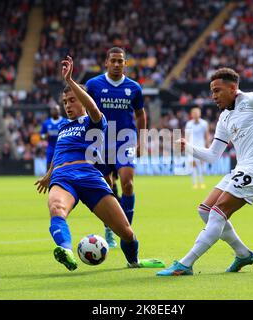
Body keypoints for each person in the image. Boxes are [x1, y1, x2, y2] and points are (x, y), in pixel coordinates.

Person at [157, 68, 253, 276]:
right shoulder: (224, 119)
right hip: (242, 167)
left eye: (217, 91)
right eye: (212, 92)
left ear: (232, 88)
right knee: (205, 210)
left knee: (218, 212)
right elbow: (213, 155)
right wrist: (188, 148)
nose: (214, 96)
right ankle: (243, 253)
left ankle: (186, 264)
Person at [34, 56, 164, 271]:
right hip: (63, 176)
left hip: (89, 176)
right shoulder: (64, 126)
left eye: (72, 100)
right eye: (65, 102)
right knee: (56, 208)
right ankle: (65, 251)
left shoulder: (94, 120)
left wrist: (71, 81)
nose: (67, 105)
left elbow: (93, 109)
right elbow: (58, 152)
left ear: (82, 99)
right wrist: (49, 174)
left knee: (127, 233)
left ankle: (134, 261)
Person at [85, 47, 147, 248]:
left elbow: (140, 115)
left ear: (125, 64)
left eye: (121, 61)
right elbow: (86, 112)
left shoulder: (134, 88)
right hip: (100, 141)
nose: (117, 64)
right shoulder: (93, 85)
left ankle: (126, 229)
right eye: (114, 60)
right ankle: (110, 228)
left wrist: (142, 140)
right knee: (107, 188)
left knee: (128, 183)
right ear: (106, 63)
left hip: (125, 140)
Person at [185, 107, 210, 189]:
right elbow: (187, 136)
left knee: (201, 165)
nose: (196, 115)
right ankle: (195, 183)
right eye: (194, 113)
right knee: (194, 165)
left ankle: (201, 182)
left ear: (200, 114)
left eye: (197, 113)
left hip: (201, 147)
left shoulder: (204, 123)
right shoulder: (189, 124)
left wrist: (208, 146)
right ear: (191, 114)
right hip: (192, 147)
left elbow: (206, 136)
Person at [40, 105, 66, 172]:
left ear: (59, 111)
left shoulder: (64, 122)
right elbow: (41, 137)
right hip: (51, 148)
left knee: (62, 165)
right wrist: (46, 135)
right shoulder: (46, 123)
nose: (54, 111)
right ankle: (48, 180)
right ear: (51, 111)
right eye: (53, 109)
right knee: (49, 166)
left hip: (62, 148)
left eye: (56, 109)